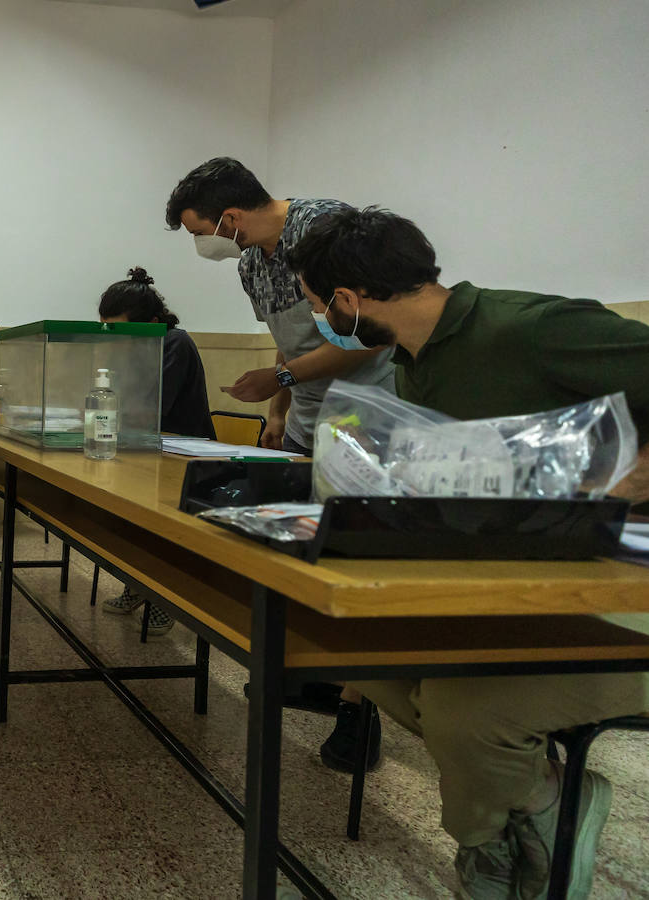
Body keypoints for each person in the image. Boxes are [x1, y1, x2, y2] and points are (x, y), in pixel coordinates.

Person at [288, 205, 649, 900]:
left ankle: (508, 838)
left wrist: (636, 475)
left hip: (618, 597)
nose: (322, 324)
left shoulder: (531, 328)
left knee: (465, 713)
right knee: (360, 655)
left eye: (317, 307)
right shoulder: (411, 365)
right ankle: (536, 805)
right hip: (514, 588)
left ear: (347, 300)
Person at [165, 156, 393, 771]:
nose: (200, 244)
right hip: (306, 409)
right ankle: (312, 669)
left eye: (198, 231)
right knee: (291, 541)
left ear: (230, 216)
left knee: (353, 555)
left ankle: (359, 708)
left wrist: (283, 376)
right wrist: (278, 405)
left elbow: (362, 337)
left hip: (367, 409)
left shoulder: (326, 228)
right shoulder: (249, 261)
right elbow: (286, 339)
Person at [97, 265, 213, 635]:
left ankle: (166, 600)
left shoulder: (175, 343)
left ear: (149, 321)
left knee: (165, 531)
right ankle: (137, 585)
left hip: (183, 453)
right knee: (133, 522)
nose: (114, 337)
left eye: (120, 327)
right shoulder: (137, 345)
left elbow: (151, 405)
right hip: (146, 448)